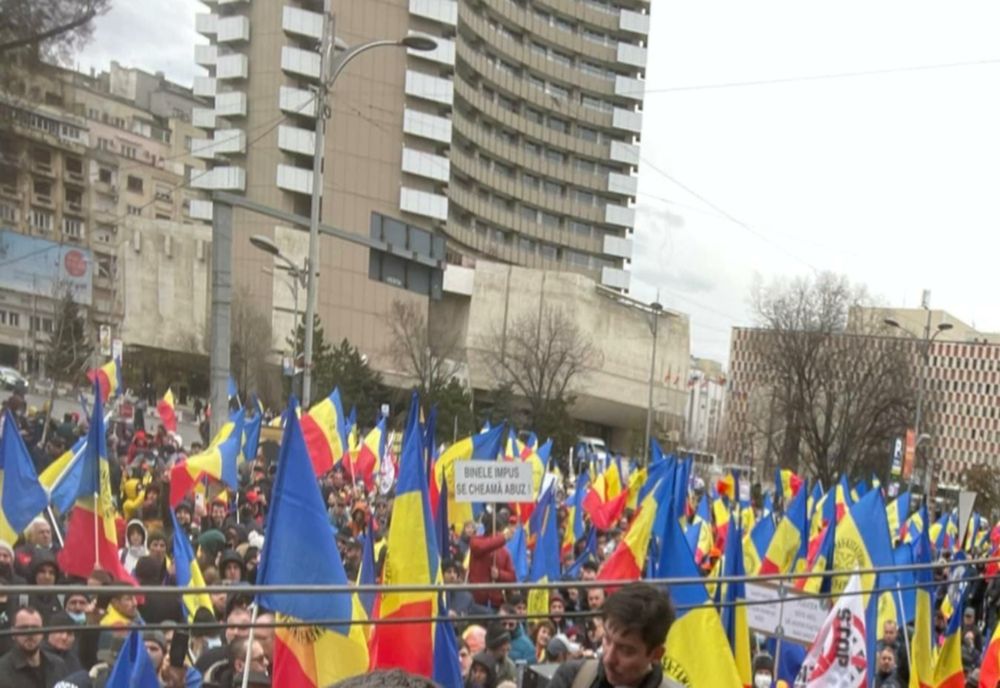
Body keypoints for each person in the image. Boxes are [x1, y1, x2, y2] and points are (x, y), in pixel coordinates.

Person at [547, 582, 682, 688]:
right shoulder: (572, 678)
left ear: (656, 654)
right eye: (607, 639)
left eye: (626, 650)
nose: (609, 659)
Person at [0, 606, 69, 687]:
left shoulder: (58, 665)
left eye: (35, 628)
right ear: (13, 632)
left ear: (43, 632)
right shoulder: (2, 671)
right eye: (24, 628)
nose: (30, 633)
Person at [467, 514, 516, 609]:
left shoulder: (504, 552)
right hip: (477, 601)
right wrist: (503, 538)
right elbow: (481, 547)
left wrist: (499, 575)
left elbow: (512, 577)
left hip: (496, 603)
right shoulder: (476, 541)